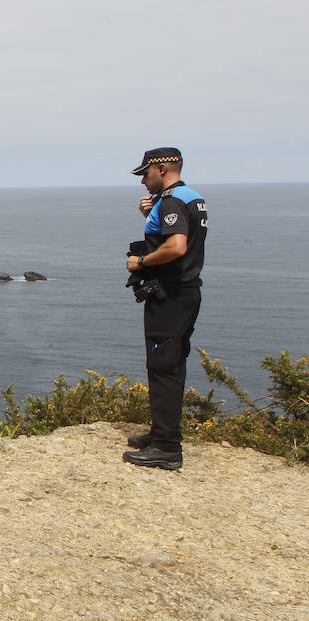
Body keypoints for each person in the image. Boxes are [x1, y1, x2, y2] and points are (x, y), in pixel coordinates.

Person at [123, 147, 208, 470]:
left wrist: (141, 261)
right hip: (184, 294)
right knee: (170, 363)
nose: (143, 181)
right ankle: (160, 434)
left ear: (162, 170)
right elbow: (176, 237)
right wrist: (150, 215)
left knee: (163, 368)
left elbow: (176, 246)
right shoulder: (190, 198)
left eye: (145, 174)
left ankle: (167, 448)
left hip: (170, 296)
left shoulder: (172, 200)